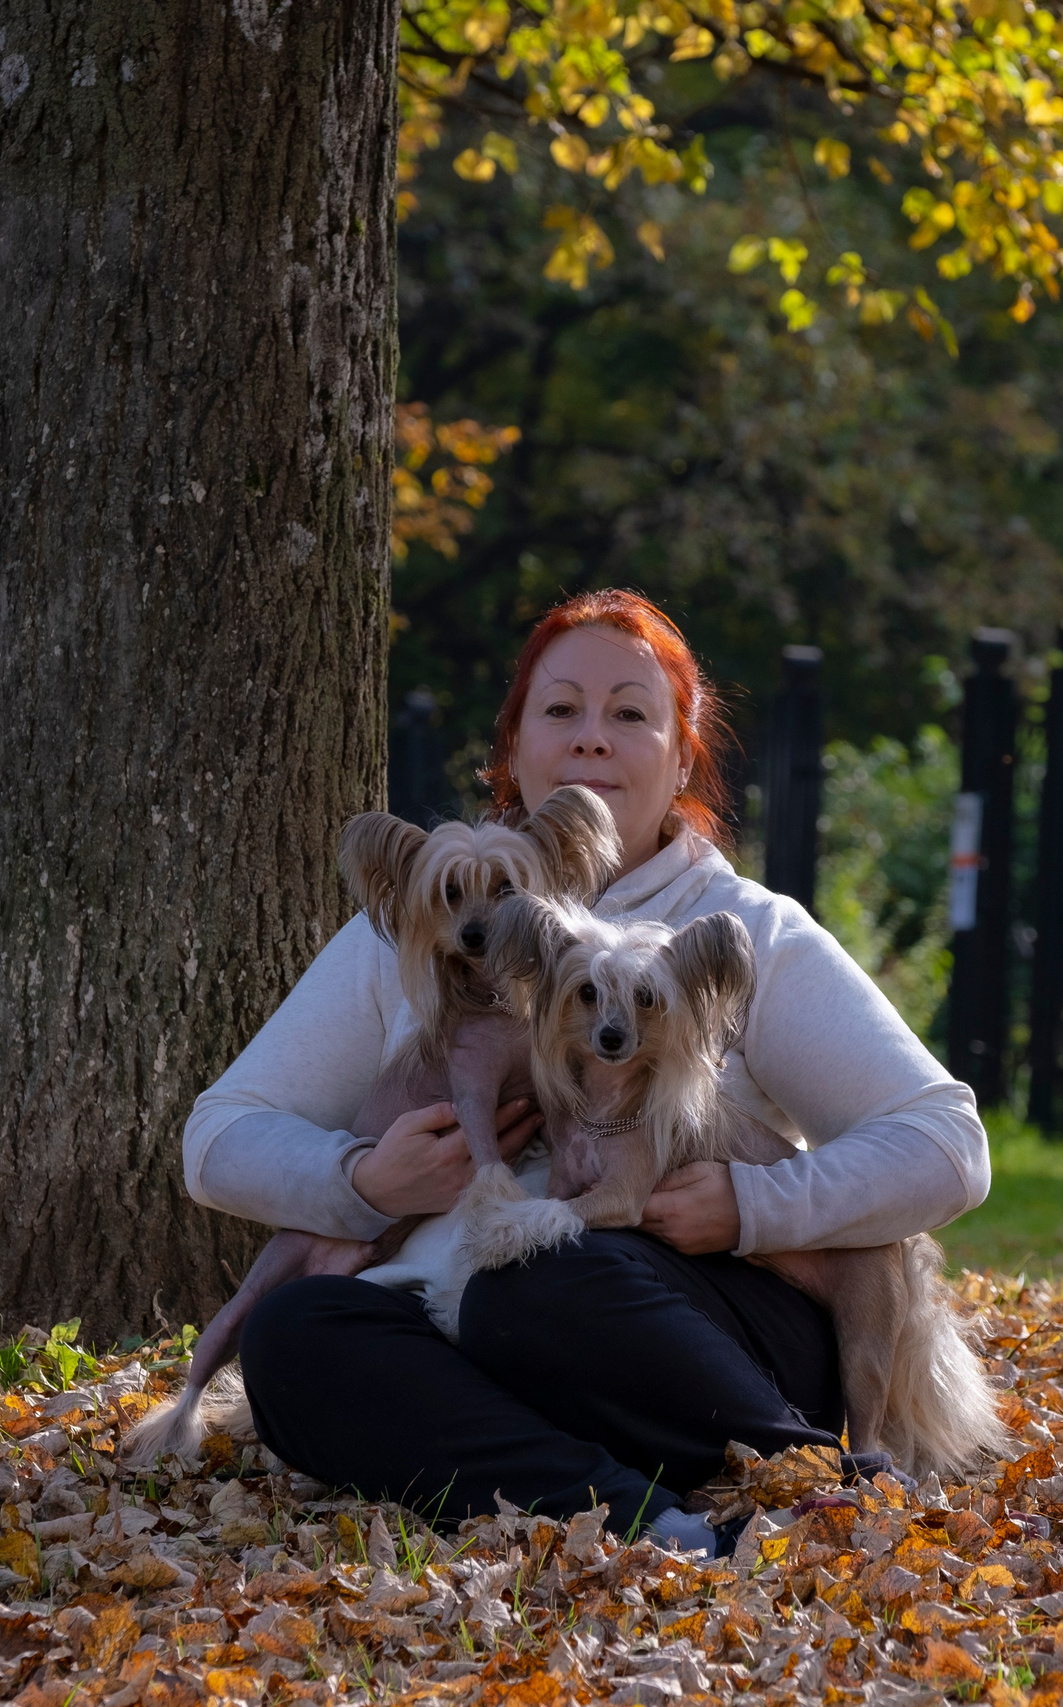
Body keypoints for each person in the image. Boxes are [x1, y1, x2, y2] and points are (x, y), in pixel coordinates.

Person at [181, 590, 987, 1551]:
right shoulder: (419, 928)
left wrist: (753, 1203)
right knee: (295, 1337)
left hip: (685, 1331)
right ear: (514, 749)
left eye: (631, 714)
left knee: (539, 1280)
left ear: (683, 755)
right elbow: (219, 1138)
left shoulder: (747, 929)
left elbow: (948, 1144)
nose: (593, 739)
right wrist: (360, 1181)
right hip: (468, 1338)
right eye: (560, 710)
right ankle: (662, 1523)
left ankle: (807, 1475)